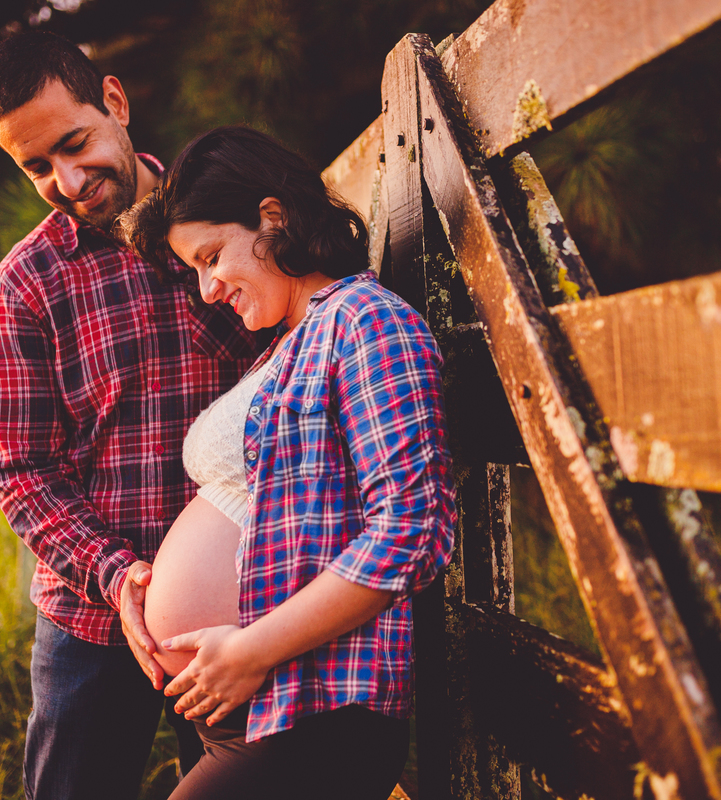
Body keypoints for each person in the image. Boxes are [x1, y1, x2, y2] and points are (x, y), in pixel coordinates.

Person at [116, 125, 456, 799]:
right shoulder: (286, 345)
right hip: (255, 711)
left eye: (212, 256)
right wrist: (147, 581)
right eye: (195, 270)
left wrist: (251, 649)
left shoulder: (365, 320)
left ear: (272, 216)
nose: (208, 288)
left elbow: (412, 529)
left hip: (313, 711)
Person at [0, 33, 258, 800]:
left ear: (116, 103)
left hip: (243, 610)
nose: (67, 181)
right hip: (92, 621)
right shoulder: (25, 285)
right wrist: (116, 572)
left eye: (75, 143)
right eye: (37, 166)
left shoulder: (225, 224)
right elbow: (22, 470)